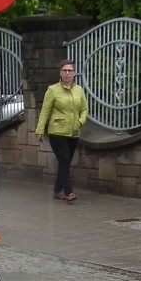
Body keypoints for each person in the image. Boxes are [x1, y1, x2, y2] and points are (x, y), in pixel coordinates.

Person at [35, 59, 88, 202]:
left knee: (65, 162)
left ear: (74, 73)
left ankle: (57, 190)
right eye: (64, 70)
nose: (67, 73)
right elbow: (45, 111)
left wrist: (80, 122)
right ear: (60, 73)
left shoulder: (79, 90)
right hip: (57, 132)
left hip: (74, 132)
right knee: (64, 160)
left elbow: (84, 109)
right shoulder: (53, 90)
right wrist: (40, 130)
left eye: (70, 70)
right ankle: (69, 192)